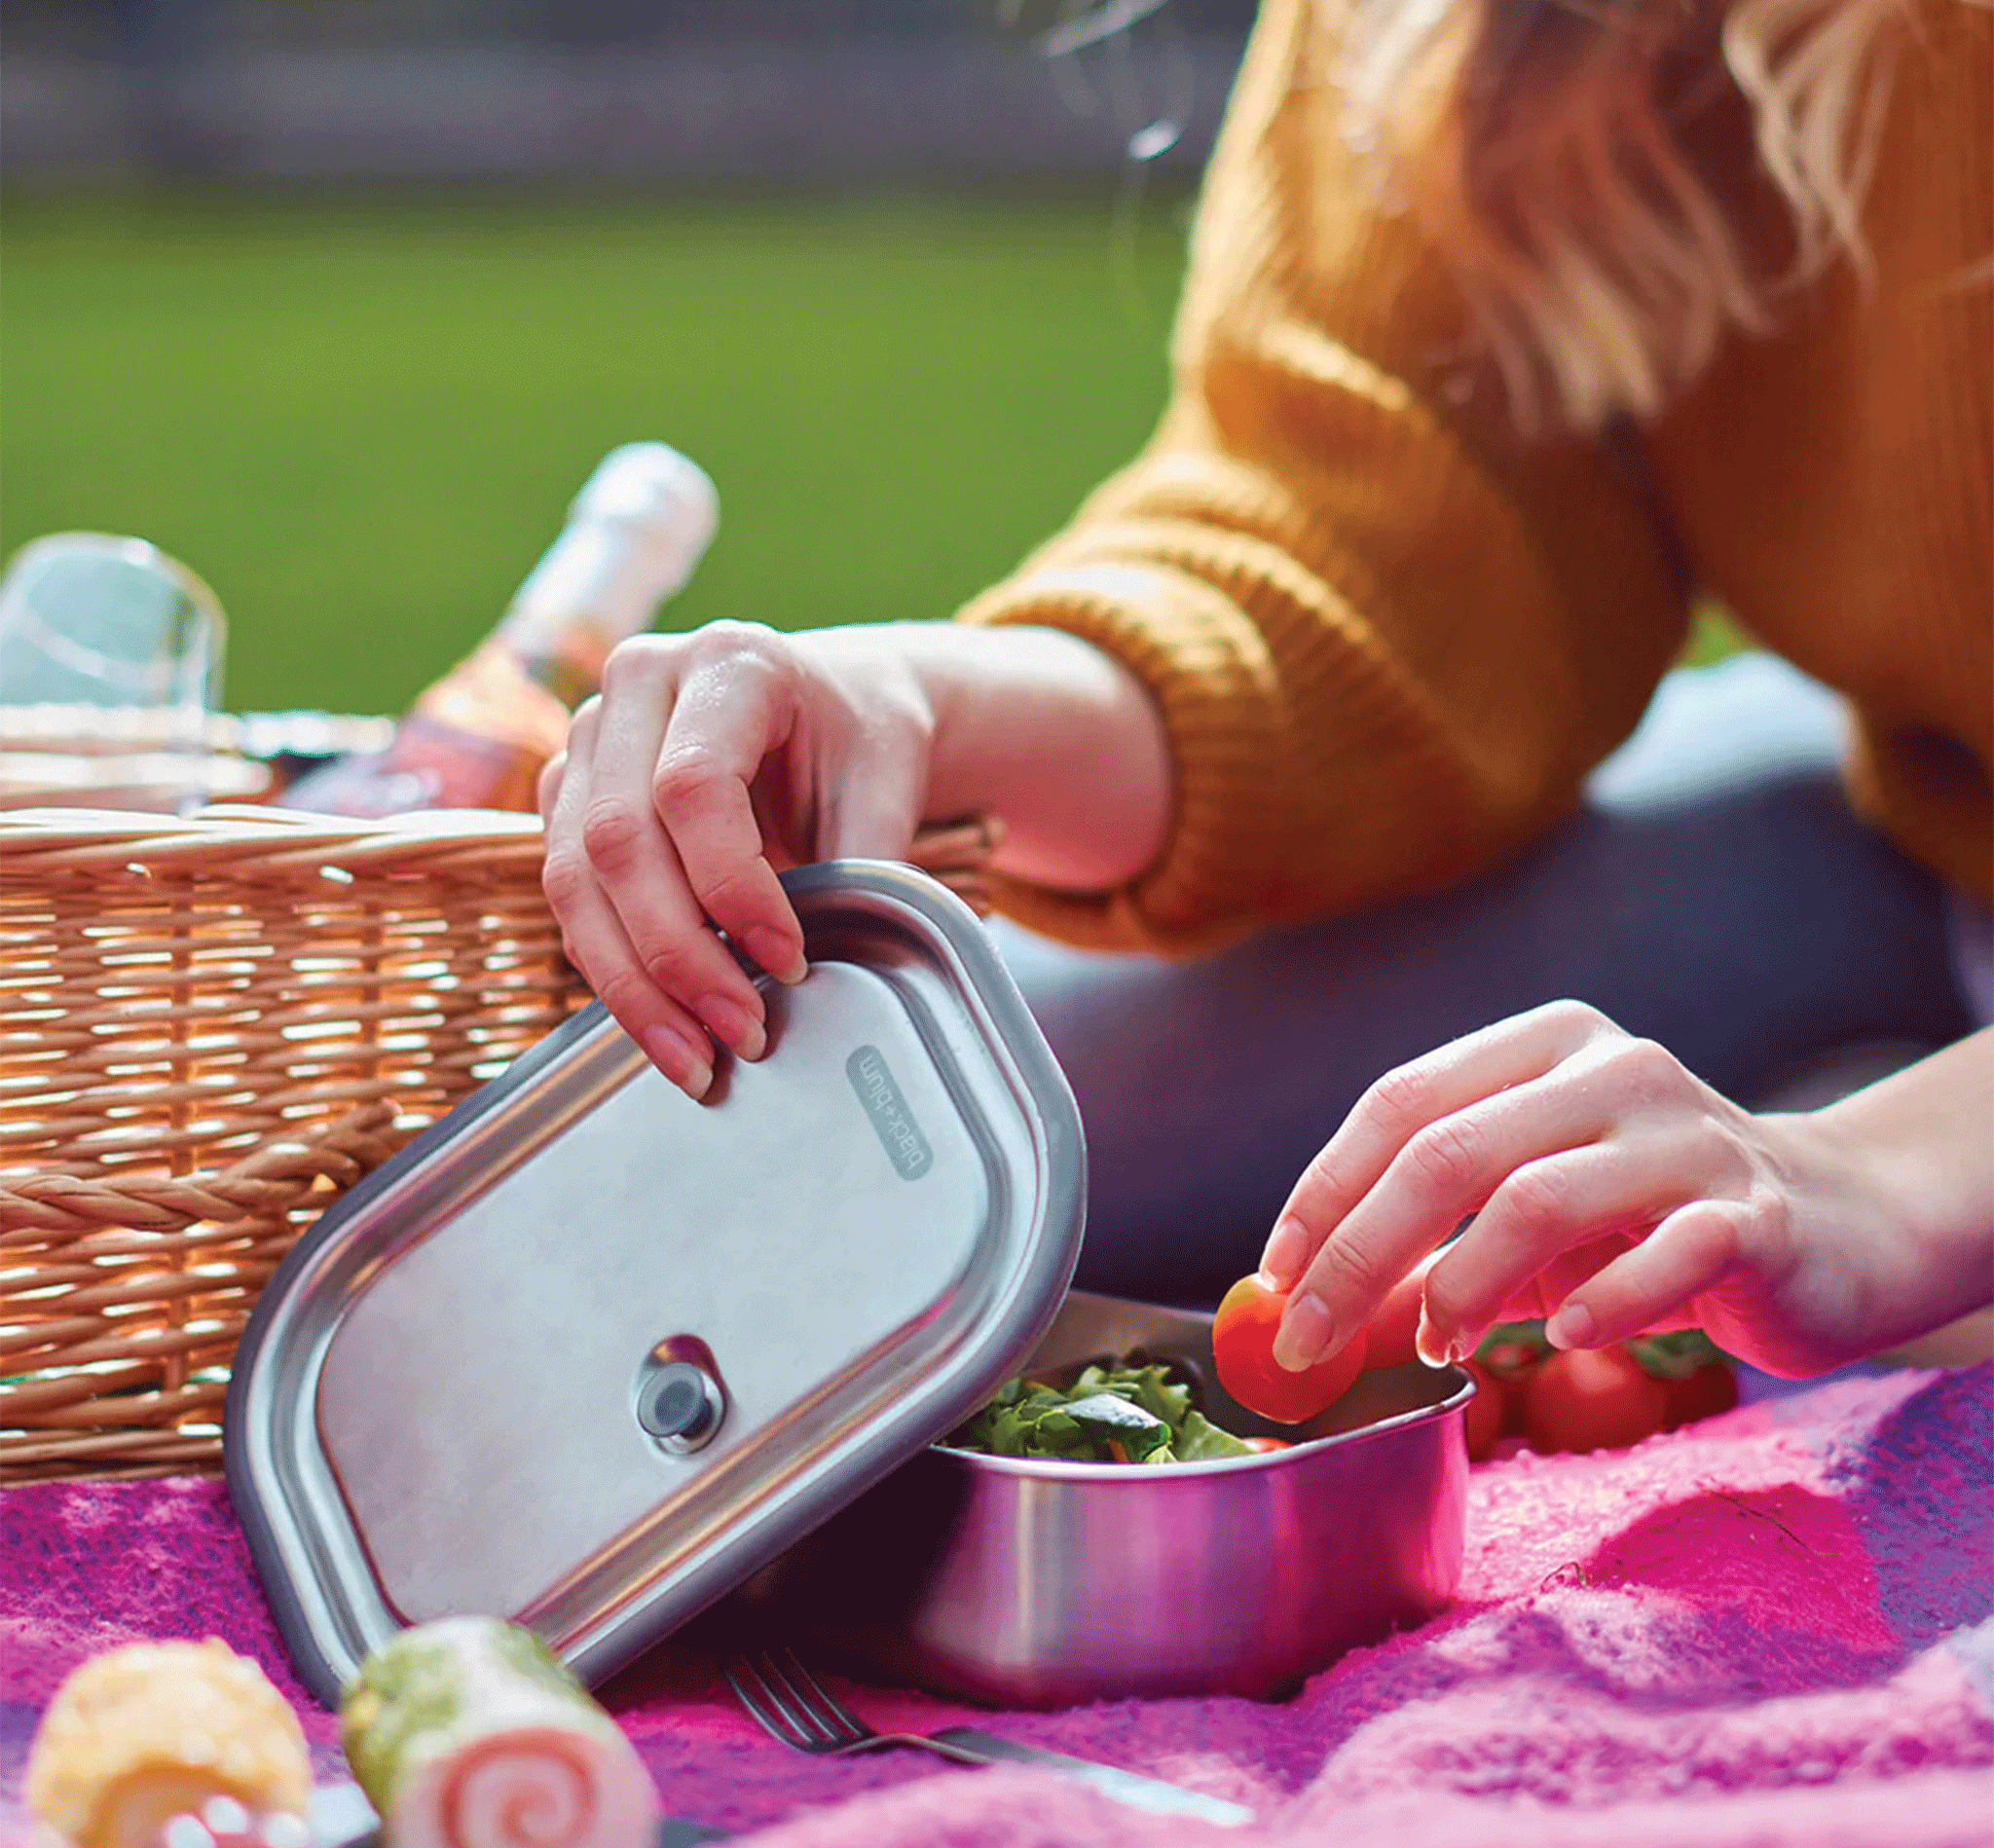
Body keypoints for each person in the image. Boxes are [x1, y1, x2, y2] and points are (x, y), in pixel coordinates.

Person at [537, 0, 1990, 1365]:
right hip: (1924, 823)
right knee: (863, 1137)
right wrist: (929, 700)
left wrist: (1878, 1176)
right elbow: (1377, 535)